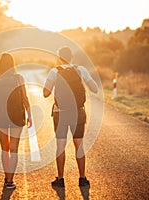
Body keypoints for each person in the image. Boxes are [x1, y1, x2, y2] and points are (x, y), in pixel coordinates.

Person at [43, 46, 98, 188]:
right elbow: (95, 89)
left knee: (60, 146)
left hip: (60, 113)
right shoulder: (81, 70)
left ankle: (60, 179)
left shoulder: (54, 71)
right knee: (79, 145)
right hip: (78, 112)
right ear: (71, 57)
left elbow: (45, 93)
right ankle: (82, 178)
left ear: (59, 57)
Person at [0, 53, 32, 189]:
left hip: (0, 116)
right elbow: (25, 98)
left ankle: (6, 178)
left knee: (4, 149)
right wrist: (30, 115)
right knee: (14, 150)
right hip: (17, 116)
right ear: (13, 64)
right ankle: (10, 180)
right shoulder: (18, 78)